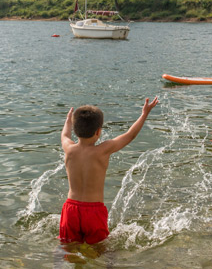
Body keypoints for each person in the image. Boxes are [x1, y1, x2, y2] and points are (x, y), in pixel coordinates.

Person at [60, 97, 159, 244]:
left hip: (70, 209)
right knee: (102, 250)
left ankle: (59, 267)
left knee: (67, 246)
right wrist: (144, 114)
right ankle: (108, 268)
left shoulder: (69, 148)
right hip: (93, 211)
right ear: (98, 131)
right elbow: (130, 135)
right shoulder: (103, 150)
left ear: (75, 129)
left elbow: (64, 135)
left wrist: (68, 120)